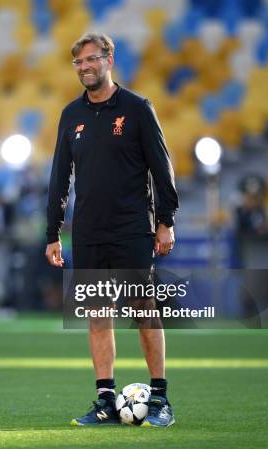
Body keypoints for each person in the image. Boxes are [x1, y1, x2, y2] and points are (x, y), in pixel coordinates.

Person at [45, 33, 179, 427]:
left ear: (109, 60)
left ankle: (159, 399)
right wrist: (52, 232)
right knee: (97, 314)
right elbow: (59, 177)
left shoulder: (138, 109)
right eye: (78, 62)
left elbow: (162, 168)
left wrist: (166, 221)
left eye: (91, 59)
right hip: (87, 230)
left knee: (143, 309)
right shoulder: (71, 114)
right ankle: (105, 399)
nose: (85, 67)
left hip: (132, 228)